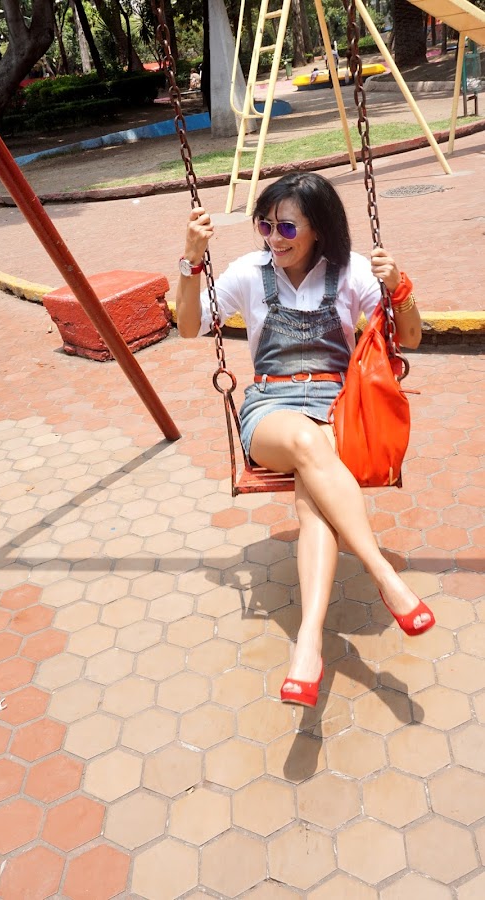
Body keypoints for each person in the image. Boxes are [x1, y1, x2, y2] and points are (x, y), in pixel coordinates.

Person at [176, 172, 435, 708]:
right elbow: (187, 326)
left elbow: (409, 338)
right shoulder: (248, 272)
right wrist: (191, 262)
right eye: (265, 226)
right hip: (270, 408)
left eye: (288, 227)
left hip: (337, 407)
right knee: (306, 444)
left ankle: (309, 645)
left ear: (318, 227)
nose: (275, 237)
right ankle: (384, 574)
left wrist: (399, 287)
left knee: (314, 503)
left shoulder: (351, 271)